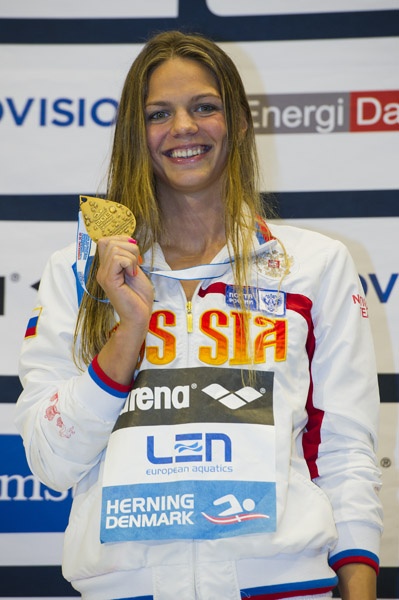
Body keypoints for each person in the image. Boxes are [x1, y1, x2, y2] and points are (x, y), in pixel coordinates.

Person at [15, 30, 383, 600]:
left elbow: (344, 450)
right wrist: (129, 331)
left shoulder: (314, 266)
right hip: (127, 589)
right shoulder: (78, 273)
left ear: (237, 122)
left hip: (283, 587)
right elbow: (49, 459)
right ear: (136, 135)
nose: (183, 128)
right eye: (159, 113)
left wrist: (359, 588)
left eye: (204, 107)